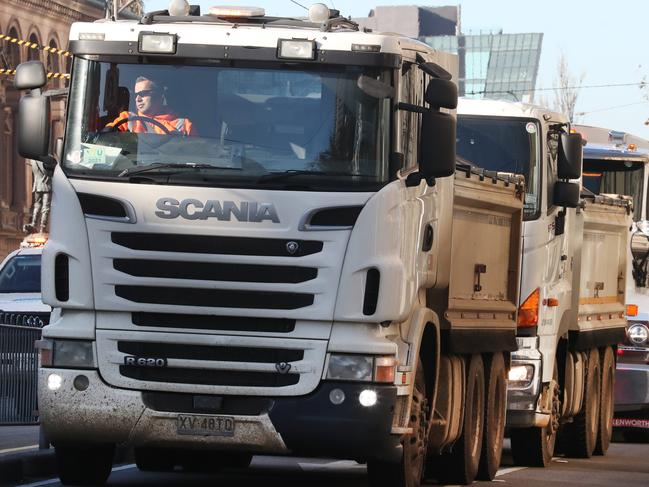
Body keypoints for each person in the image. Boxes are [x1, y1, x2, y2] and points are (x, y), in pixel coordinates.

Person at [106, 76, 197, 135]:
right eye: (135, 95)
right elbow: (106, 138)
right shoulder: (127, 119)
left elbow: (197, 156)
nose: (137, 99)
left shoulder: (183, 125)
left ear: (160, 95)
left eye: (143, 93)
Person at [23, 159, 52, 234]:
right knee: (46, 207)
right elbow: (45, 171)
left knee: (37, 205)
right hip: (46, 184)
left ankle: (34, 224)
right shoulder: (41, 159)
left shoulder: (32, 159)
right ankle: (43, 227)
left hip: (37, 185)